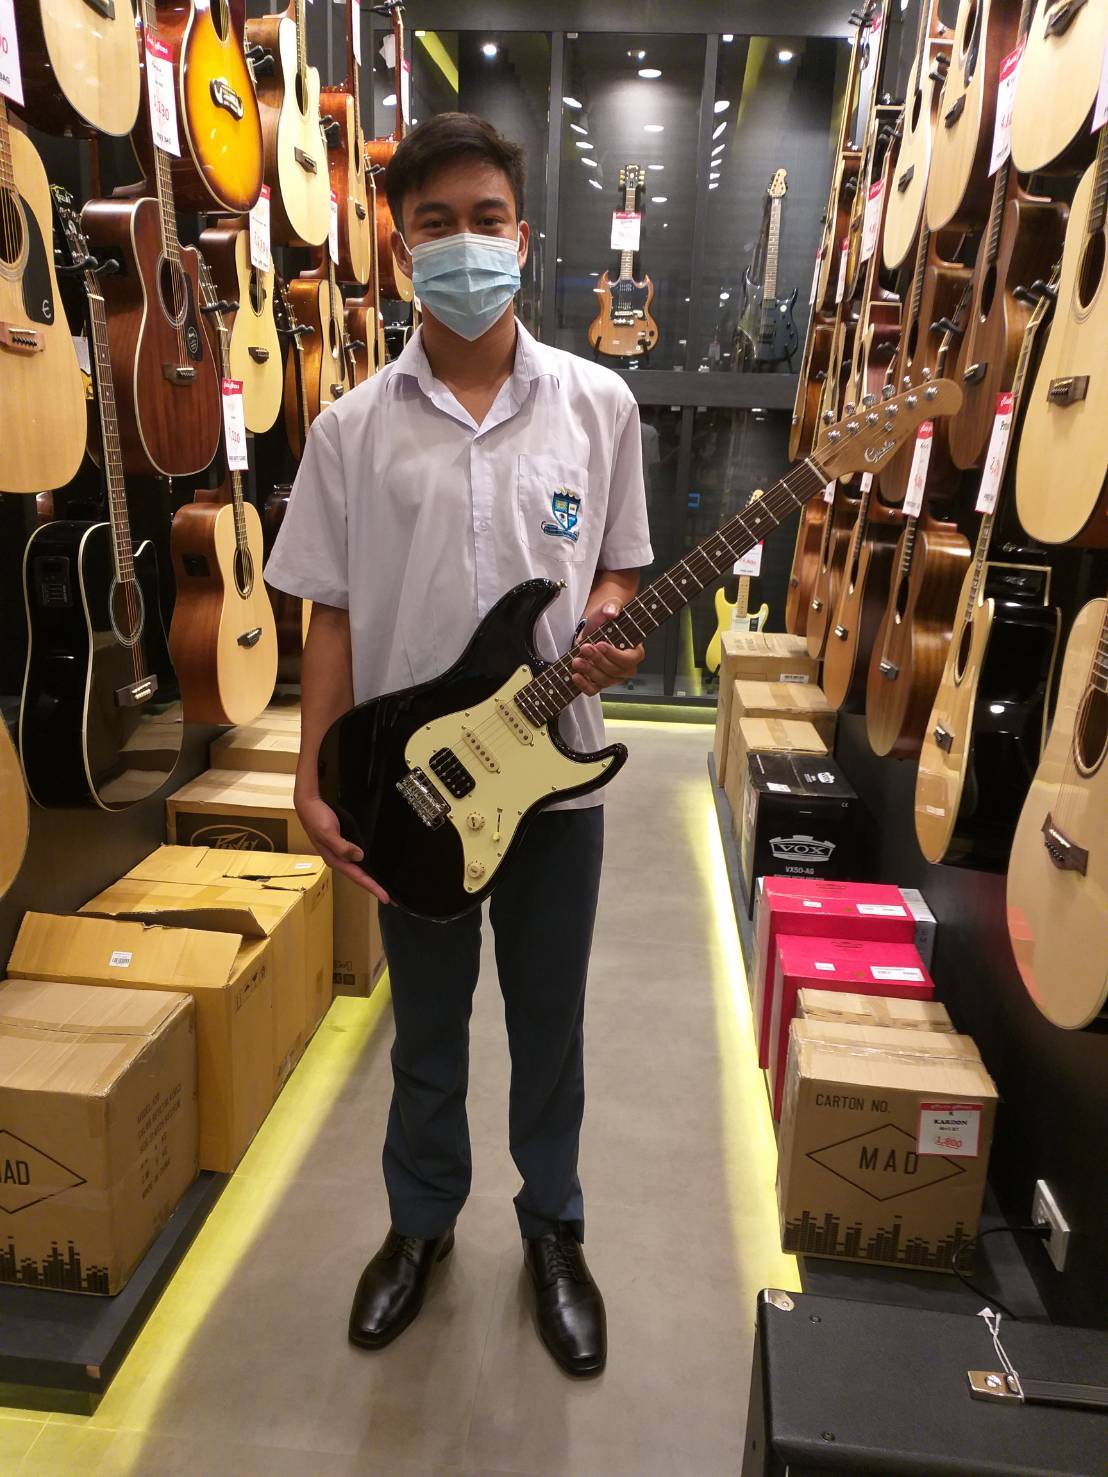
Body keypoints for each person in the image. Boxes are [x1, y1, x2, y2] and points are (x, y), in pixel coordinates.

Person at [265, 112, 653, 1378]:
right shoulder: (350, 428)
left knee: (550, 1026)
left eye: (487, 220)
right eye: (436, 224)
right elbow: (329, 615)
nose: (465, 245)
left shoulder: (597, 404)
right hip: (412, 793)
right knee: (425, 1034)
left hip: (559, 790)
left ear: (522, 238)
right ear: (400, 248)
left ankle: (554, 1231)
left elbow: (618, 569)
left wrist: (606, 626)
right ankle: (420, 1223)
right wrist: (311, 780)